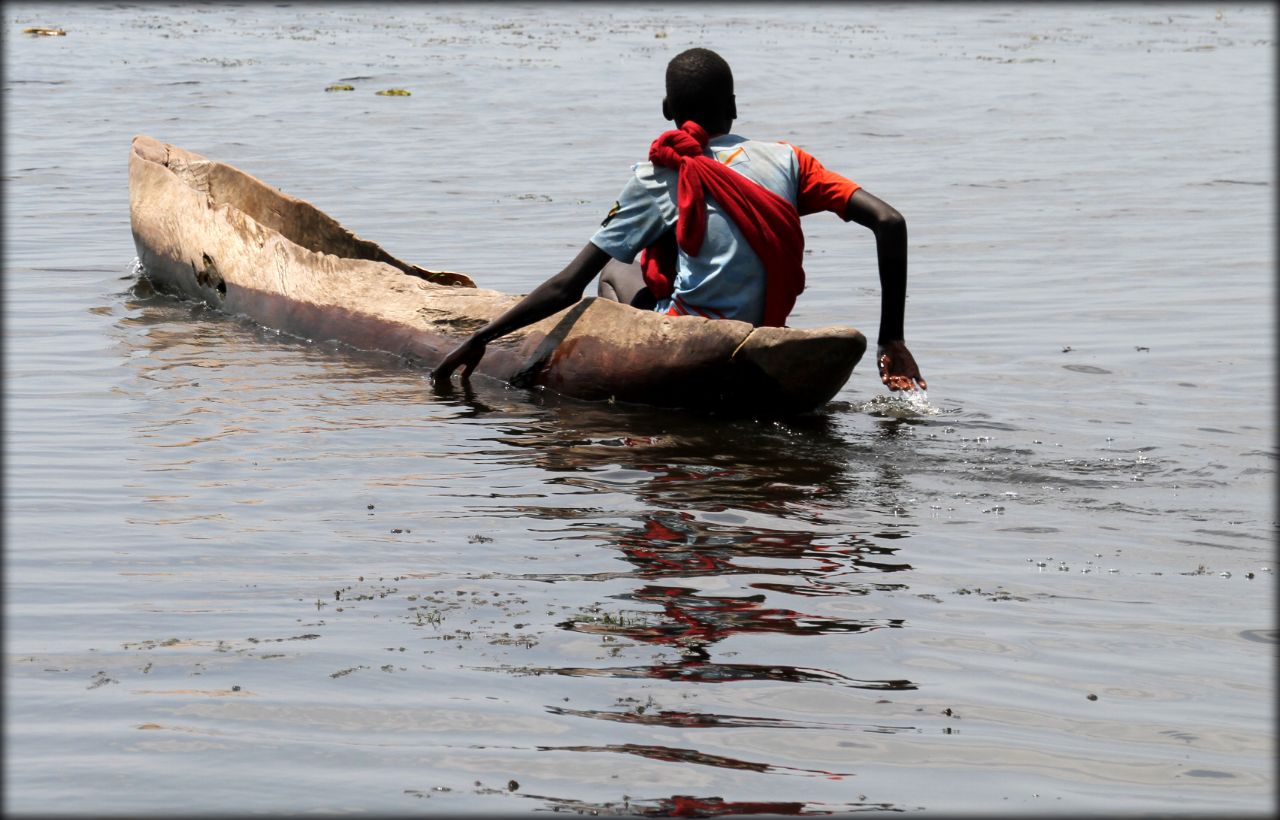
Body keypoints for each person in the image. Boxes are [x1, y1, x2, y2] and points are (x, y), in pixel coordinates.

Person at [433, 47, 926, 393]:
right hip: (767, 326)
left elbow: (567, 286)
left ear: (668, 110)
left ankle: (647, 337)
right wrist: (892, 339)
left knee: (613, 272)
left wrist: (480, 337)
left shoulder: (658, 175)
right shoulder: (790, 160)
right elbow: (890, 222)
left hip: (691, 336)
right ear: (732, 107)